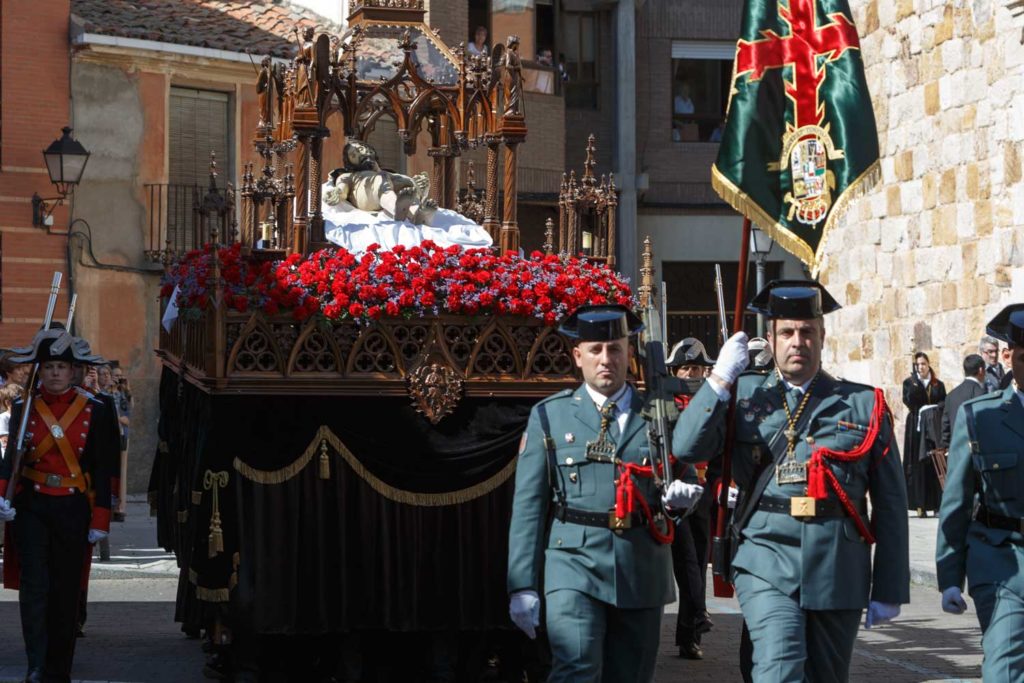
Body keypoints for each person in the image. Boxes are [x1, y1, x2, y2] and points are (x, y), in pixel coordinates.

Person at [672, 280, 910, 682]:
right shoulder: (743, 396)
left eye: (806, 332)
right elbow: (686, 447)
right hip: (766, 556)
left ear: (822, 335)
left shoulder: (863, 404)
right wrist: (718, 381)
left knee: (827, 675)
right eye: (786, 332)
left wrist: (890, 584)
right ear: (771, 338)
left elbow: (890, 503)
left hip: (838, 563)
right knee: (779, 668)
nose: (797, 341)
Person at [506, 304, 703, 682]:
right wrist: (522, 584)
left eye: (615, 348)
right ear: (578, 356)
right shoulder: (550, 415)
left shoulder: (662, 413)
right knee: (575, 667)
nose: (606, 359)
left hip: (641, 563)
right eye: (595, 351)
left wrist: (681, 502)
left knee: (630, 674)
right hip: (573, 563)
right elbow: (529, 508)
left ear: (630, 352)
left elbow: (685, 482)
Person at [0, 327, 119, 683]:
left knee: (66, 592)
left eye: (61, 367)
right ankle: (36, 663)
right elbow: (10, 461)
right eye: (49, 366)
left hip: (73, 508)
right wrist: (3, 494)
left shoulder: (97, 409)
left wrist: (101, 519)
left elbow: (106, 469)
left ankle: (58, 667)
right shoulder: (23, 407)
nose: (54, 373)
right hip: (32, 506)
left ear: (73, 371)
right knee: (34, 588)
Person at [936, 303, 1024, 680]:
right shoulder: (978, 415)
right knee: (1004, 670)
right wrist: (950, 577)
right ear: (1008, 357)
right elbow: (956, 501)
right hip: (1002, 559)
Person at [665, 337, 717, 659]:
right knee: (685, 558)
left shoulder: (711, 400)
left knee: (699, 558)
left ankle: (689, 634)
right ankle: (698, 612)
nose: (692, 373)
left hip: (704, 487)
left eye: (697, 367)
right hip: (677, 485)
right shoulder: (668, 400)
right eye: (687, 367)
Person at [901, 352, 946, 517]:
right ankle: (919, 504)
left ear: (928, 364)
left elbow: (943, 401)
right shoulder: (910, 383)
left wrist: (933, 409)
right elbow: (909, 400)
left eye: (923, 364)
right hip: (916, 427)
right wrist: (916, 384)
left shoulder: (937, 384)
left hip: (933, 426)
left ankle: (936, 504)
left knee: (934, 463)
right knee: (917, 463)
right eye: (918, 364)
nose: (921, 367)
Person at [940, 354, 987, 449]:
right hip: (976, 452)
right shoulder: (981, 394)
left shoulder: (951, 395)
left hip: (956, 451)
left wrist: (949, 447)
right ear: (981, 370)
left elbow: (945, 426)